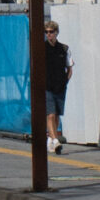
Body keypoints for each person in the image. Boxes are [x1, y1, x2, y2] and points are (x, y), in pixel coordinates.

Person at [43, 19, 73, 154]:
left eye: (51, 32)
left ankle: (50, 139)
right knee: (50, 113)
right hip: (47, 86)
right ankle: (55, 139)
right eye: (47, 32)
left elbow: (69, 68)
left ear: (56, 33)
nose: (49, 35)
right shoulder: (42, 48)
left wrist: (64, 82)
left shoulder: (64, 49)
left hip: (60, 86)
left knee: (57, 116)